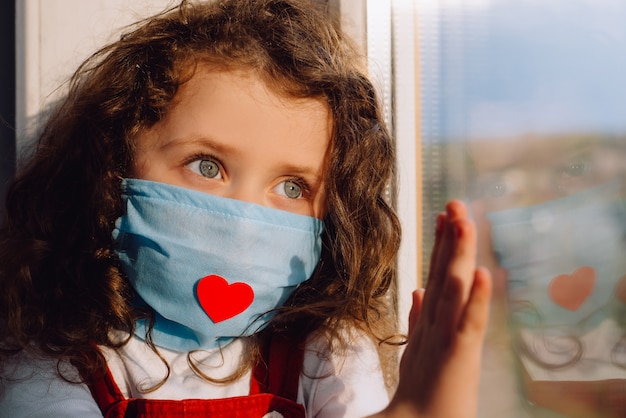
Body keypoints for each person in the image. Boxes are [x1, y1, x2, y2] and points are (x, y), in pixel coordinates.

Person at [0, 0, 492, 416]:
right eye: (208, 166)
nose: (244, 220)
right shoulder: (59, 364)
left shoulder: (326, 354)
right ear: (110, 168)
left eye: (293, 187)